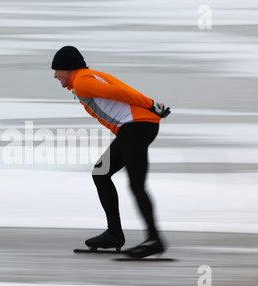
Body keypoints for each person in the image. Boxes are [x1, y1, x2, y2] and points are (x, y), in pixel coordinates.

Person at [51, 46, 170, 258]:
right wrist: (151, 106)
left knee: (135, 183)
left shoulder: (82, 82)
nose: (54, 75)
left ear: (67, 69)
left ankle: (154, 239)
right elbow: (123, 89)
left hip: (136, 126)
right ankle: (114, 234)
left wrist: (151, 104)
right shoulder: (89, 77)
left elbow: (119, 92)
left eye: (56, 70)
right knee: (101, 173)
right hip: (136, 126)